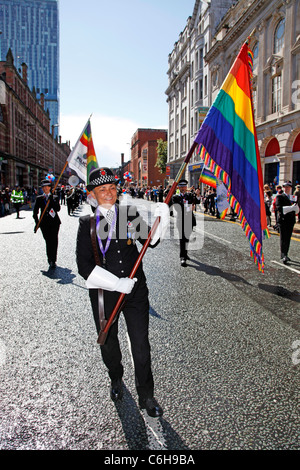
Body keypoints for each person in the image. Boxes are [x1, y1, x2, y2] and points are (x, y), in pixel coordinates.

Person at [76, 167, 169, 417]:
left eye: (112, 188)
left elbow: (151, 241)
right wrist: (116, 284)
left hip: (136, 292)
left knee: (141, 344)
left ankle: (147, 395)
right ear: (93, 194)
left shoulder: (129, 213)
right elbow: (84, 266)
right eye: (102, 190)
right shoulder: (87, 223)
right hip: (104, 294)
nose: (108, 193)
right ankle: (116, 378)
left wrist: (163, 219)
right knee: (108, 342)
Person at [33, 179, 61, 268]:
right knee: (48, 241)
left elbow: (58, 209)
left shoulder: (55, 197)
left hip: (54, 223)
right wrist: (37, 223)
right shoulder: (39, 198)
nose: (45, 189)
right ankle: (49, 258)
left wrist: (51, 200)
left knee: (54, 241)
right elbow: (35, 212)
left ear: (50, 188)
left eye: (47, 187)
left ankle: (53, 260)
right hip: (44, 224)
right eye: (44, 187)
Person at [172, 179, 196, 267]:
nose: (183, 188)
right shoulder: (175, 197)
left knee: (187, 239)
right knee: (182, 239)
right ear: (178, 187)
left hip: (190, 220)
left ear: (186, 187)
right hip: (181, 221)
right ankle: (182, 257)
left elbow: (196, 202)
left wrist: (196, 196)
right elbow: (178, 209)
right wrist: (188, 208)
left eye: (184, 187)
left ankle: (185, 254)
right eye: (181, 187)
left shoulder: (189, 195)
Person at [275, 181, 299, 264]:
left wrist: (296, 209)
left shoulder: (293, 197)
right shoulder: (280, 197)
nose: (287, 188)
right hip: (283, 220)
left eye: (288, 187)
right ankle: (283, 254)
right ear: (283, 188)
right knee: (283, 238)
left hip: (291, 220)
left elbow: (297, 209)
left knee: (288, 238)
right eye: (285, 187)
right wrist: (291, 208)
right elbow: (279, 209)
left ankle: (286, 253)